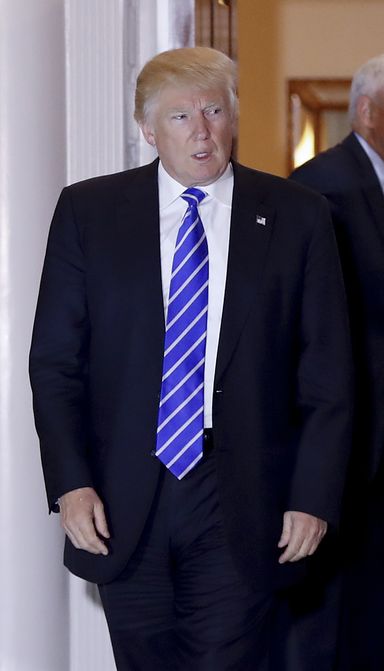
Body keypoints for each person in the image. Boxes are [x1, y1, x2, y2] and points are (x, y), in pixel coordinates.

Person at [29, 46, 353, 671]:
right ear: (146, 130)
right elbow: (56, 365)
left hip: (243, 495)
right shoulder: (89, 213)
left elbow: (328, 374)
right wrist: (70, 483)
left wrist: (313, 495)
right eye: (180, 116)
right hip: (123, 499)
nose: (202, 131)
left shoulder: (298, 216)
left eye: (214, 110)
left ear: (234, 118)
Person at [286, 52, 384, 670]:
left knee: (367, 632)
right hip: (324, 461)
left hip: (368, 458)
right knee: (325, 636)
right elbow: (308, 342)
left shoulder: (383, 194)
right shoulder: (323, 189)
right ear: (367, 113)